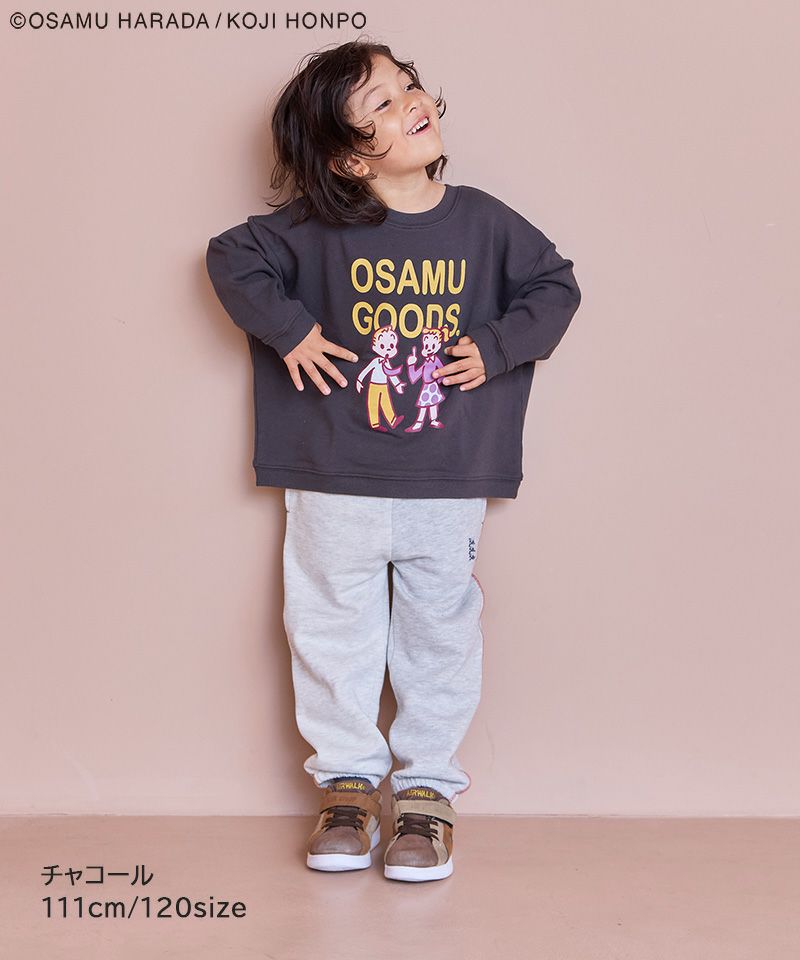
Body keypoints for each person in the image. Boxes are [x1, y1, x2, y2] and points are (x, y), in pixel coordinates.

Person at [206, 38, 582, 883]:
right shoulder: (316, 230)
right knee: (329, 628)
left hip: (447, 473)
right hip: (331, 471)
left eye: (405, 84)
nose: (408, 99)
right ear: (348, 157)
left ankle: (423, 794)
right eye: (378, 102)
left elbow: (555, 287)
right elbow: (231, 256)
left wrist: (497, 346)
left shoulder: (483, 221)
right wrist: (291, 332)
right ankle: (345, 787)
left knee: (438, 634)